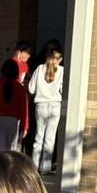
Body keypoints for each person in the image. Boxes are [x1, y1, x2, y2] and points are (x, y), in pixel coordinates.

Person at [28, 44, 64, 174]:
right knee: (50, 138)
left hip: (41, 105)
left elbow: (31, 89)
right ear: (59, 59)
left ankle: (34, 166)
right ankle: (45, 168)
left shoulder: (39, 68)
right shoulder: (62, 70)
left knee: (39, 137)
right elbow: (63, 90)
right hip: (55, 105)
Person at [0, 59, 29, 153]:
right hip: (13, 121)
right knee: (11, 150)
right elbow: (23, 109)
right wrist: (24, 126)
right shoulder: (20, 88)